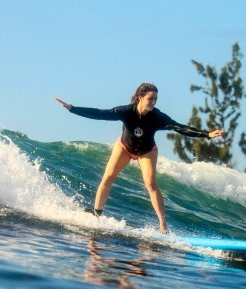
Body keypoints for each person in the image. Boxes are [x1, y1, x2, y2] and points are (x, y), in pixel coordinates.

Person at [55, 83, 224, 233]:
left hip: (147, 151)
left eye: (156, 99)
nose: (153, 102)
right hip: (124, 147)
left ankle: (163, 225)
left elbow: (179, 127)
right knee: (108, 177)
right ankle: (96, 213)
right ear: (140, 97)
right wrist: (73, 108)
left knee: (150, 183)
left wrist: (206, 134)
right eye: (150, 98)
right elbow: (100, 114)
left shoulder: (158, 117)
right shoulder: (127, 111)